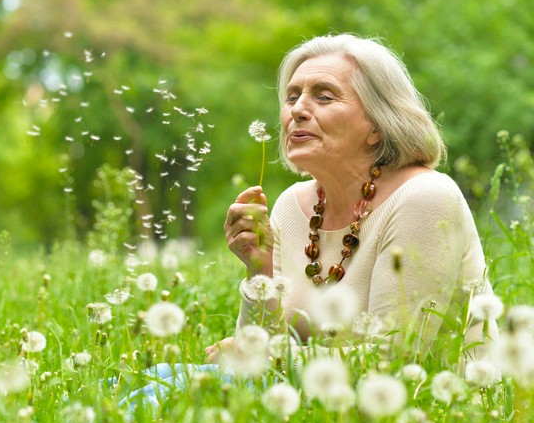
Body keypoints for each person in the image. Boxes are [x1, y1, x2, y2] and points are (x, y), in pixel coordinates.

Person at [207, 33, 497, 363]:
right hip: (311, 411)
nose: (298, 109)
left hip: (438, 410)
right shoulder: (291, 206)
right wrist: (258, 269)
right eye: (291, 97)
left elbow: (394, 359)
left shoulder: (424, 198)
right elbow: (257, 355)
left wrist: (266, 359)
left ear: (378, 124)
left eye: (324, 97)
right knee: (159, 380)